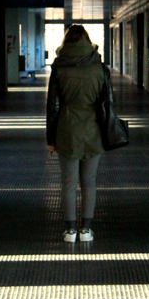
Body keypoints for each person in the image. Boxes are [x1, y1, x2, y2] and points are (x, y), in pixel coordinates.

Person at [46, 24, 105, 243]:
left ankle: (70, 231)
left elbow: (52, 105)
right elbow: (107, 103)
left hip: (66, 129)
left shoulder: (59, 66)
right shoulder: (99, 66)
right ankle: (86, 230)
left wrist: (50, 139)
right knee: (89, 181)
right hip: (93, 130)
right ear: (87, 41)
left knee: (68, 183)